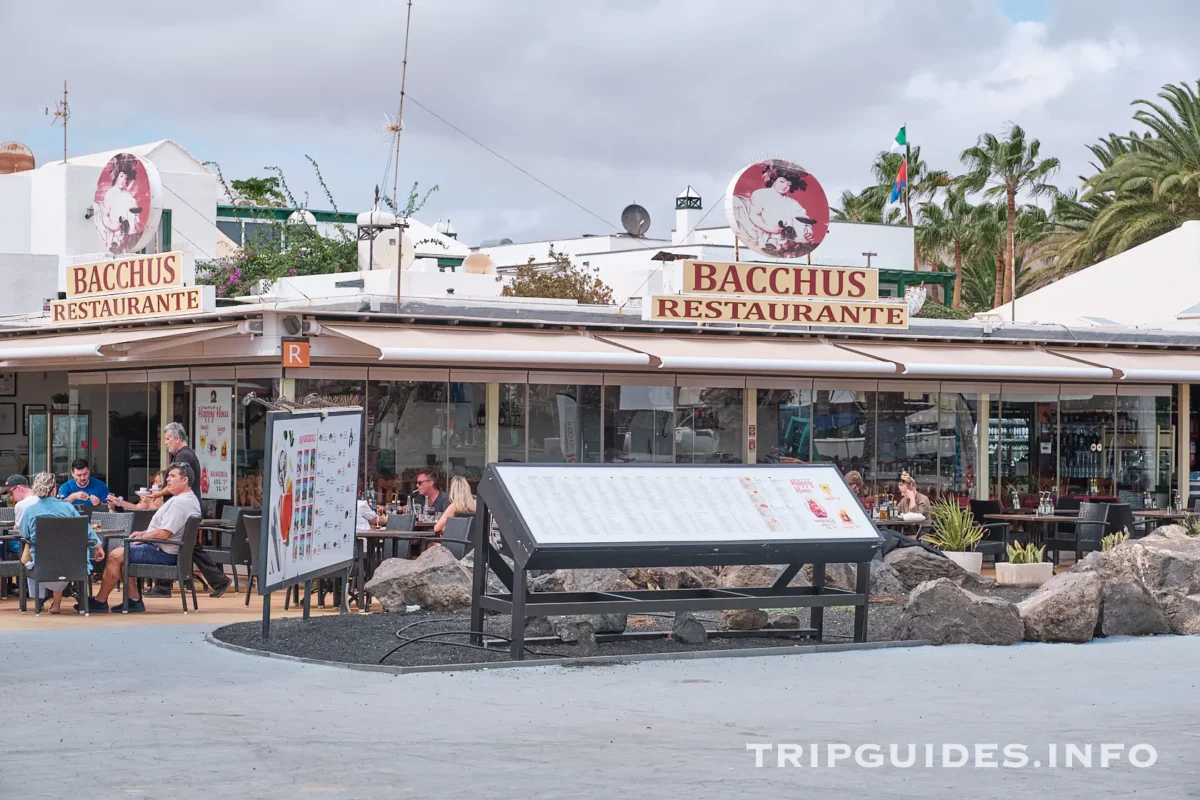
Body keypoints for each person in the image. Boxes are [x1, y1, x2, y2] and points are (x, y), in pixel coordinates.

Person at [94, 463, 201, 613]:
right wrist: (143, 533)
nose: (167, 480)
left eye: (172, 476)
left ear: (185, 480)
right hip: (169, 549)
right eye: (168, 476)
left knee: (116, 554)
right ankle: (134, 600)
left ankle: (100, 601)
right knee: (123, 551)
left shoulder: (180, 503)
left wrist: (144, 536)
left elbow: (164, 533)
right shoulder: (190, 499)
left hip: (164, 552)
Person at [20, 472, 104, 614]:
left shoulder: (30, 511)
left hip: (42, 562)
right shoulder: (67, 508)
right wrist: (98, 546)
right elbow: (85, 529)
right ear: (54, 490)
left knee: (43, 552)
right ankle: (57, 603)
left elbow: (24, 535)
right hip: (71, 562)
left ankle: (42, 602)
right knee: (61, 550)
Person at [728, 161, 816, 257]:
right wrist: (769, 228)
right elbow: (754, 215)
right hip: (766, 233)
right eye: (782, 181)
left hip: (787, 236)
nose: (785, 186)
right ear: (773, 179)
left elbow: (802, 217)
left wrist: (808, 232)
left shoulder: (792, 202)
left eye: (789, 184)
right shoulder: (760, 194)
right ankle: (772, 245)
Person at [96, 155, 143, 253]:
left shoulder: (128, 196)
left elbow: (135, 212)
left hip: (127, 233)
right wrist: (113, 227)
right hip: (114, 233)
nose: (123, 180)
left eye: (125, 178)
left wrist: (136, 222)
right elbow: (105, 216)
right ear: (116, 176)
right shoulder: (110, 193)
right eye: (121, 176)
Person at [3, 475, 36, 559]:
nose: (10, 497)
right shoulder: (43, 498)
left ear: (19, 488)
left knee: (4, 543)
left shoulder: (21, 505)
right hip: (52, 545)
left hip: (31, 546)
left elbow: (19, 530)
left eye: (11, 493)